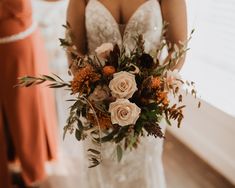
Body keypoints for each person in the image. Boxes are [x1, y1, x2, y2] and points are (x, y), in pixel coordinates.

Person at [66, 0, 187, 187]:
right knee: (100, 169)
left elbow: (177, 49)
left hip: (148, 104)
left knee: (143, 170)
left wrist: (149, 90)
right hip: (96, 107)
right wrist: (98, 90)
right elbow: (74, 51)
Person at [0, 0, 59, 187]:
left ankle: (22, 168)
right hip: (16, 44)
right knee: (24, 112)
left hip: (21, 39)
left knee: (24, 111)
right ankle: (26, 170)